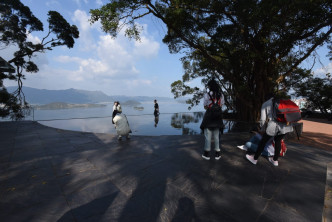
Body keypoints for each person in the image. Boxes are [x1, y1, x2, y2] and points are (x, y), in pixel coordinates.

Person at [246, 94, 293, 166]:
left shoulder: (266, 103)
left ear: (267, 98)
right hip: (285, 126)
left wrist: (263, 128)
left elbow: (263, 119)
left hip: (273, 126)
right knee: (278, 141)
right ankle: (275, 161)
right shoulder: (282, 101)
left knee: (263, 142)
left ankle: (254, 159)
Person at [200, 79, 223, 160]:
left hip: (209, 116)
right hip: (218, 117)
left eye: (208, 86)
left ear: (210, 86)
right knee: (216, 135)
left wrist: (210, 108)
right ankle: (217, 154)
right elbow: (221, 105)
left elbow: (205, 106)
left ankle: (206, 154)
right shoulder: (220, 95)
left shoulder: (207, 95)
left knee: (207, 135)